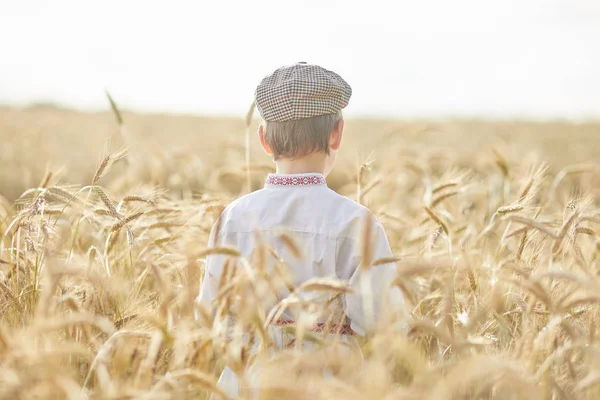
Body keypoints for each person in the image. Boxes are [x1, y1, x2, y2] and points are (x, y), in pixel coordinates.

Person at [195, 62, 406, 397]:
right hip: (330, 385)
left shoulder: (233, 219)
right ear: (337, 132)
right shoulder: (357, 223)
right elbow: (384, 321)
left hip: (246, 384)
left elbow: (212, 312)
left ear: (264, 139)